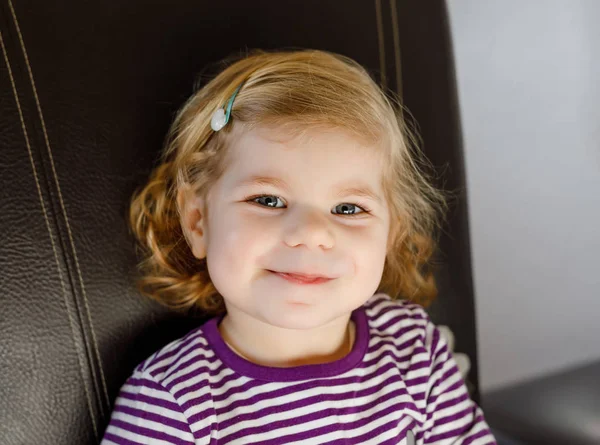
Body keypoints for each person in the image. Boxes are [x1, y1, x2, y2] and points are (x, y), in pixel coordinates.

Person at [101, 49, 496, 444]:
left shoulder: (414, 345)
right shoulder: (172, 401)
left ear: (391, 232)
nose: (312, 233)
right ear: (198, 221)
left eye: (348, 208)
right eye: (268, 200)